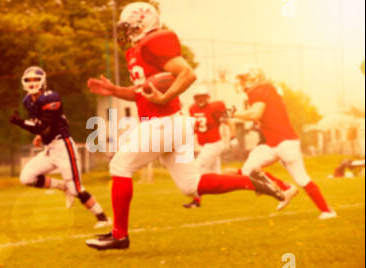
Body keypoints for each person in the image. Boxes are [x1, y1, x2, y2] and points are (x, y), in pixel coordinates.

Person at [84, 2, 285, 250]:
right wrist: (114, 90)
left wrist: (165, 97)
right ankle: (251, 181)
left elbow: (187, 74)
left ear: (142, 23)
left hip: (162, 123)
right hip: (172, 124)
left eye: (129, 27)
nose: (126, 33)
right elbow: (141, 93)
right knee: (190, 185)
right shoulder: (138, 51)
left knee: (120, 166)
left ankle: (119, 235)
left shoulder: (154, 42)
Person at [9, 66, 112, 228]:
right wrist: (39, 135)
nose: (32, 83)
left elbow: (43, 125)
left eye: (36, 79)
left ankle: (103, 218)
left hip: (63, 146)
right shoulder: (28, 101)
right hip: (49, 148)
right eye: (28, 80)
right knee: (26, 177)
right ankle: (62, 186)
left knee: (76, 189)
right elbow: (40, 125)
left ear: (43, 81)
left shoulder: (51, 98)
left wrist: (21, 123)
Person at [232, 66, 337, 219]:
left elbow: (255, 114)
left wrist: (232, 113)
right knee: (249, 169)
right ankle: (286, 188)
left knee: (302, 178)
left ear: (253, 78)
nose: (241, 83)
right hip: (272, 143)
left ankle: (327, 211)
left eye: (243, 79)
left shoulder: (261, 89)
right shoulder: (263, 90)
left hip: (286, 142)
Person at [183, 85, 238, 208]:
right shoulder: (192, 109)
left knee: (196, 168)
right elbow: (195, 128)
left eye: (203, 96)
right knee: (216, 175)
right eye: (198, 97)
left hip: (214, 144)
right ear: (194, 98)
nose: (200, 99)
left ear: (207, 97)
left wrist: (233, 137)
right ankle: (245, 175)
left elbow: (229, 122)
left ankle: (196, 201)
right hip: (205, 145)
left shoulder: (215, 107)